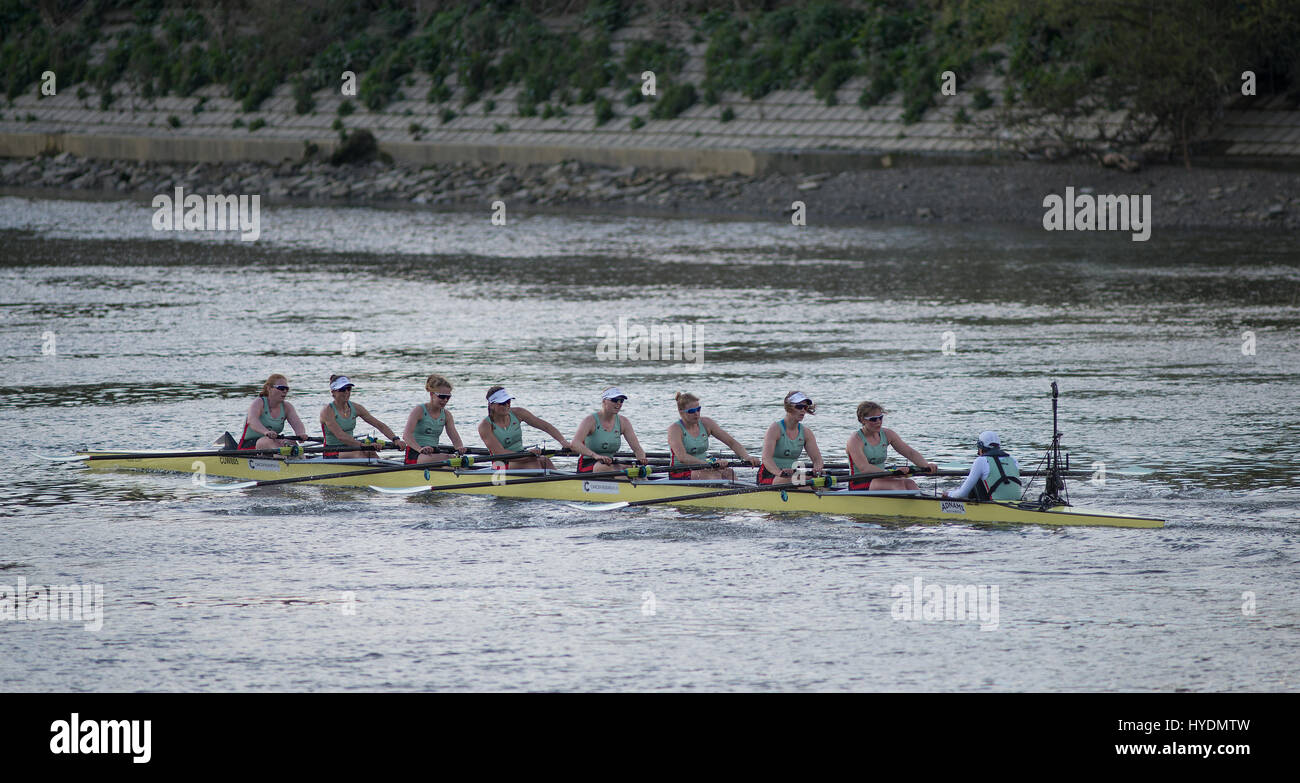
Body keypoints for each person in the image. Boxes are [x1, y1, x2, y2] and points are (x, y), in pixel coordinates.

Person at [666, 392, 759, 480]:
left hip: (703, 467)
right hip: (680, 472)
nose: (696, 414)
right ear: (681, 412)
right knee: (713, 476)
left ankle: (740, 496)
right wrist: (709, 464)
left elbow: (732, 442)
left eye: (698, 409)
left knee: (729, 473)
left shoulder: (706, 423)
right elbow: (683, 458)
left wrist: (746, 457)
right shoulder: (675, 429)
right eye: (691, 411)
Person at [845, 402, 937, 490]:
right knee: (898, 485)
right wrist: (891, 473)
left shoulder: (888, 434)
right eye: (873, 419)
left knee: (910, 484)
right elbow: (864, 468)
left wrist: (926, 465)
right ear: (862, 420)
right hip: (859, 482)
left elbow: (910, 453)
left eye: (880, 417)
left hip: (882, 477)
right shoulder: (855, 440)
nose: (878, 421)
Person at [477, 386, 571, 470]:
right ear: (491, 405)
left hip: (523, 456)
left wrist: (563, 442)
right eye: (502, 403)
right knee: (534, 463)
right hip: (501, 462)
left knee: (545, 461)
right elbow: (500, 453)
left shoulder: (518, 413)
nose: (506, 405)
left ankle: (562, 486)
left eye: (508, 401)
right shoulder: (485, 426)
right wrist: (529, 455)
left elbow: (545, 426)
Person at [319, 375, 405, 459]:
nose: (346, 392)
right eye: (342, 389)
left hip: (351, 447)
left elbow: (379, 425)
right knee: (360, 453)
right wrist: (363, 445)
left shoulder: (356, 408)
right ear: (333, 392)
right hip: (331, 451)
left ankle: (386, 472)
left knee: (370, 452)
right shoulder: (327, 411)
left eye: (348, 389)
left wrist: (395, 439)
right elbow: (341, 436)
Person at [570, 387, 648, 473]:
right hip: (588, 463)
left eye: (621, 401)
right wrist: (595, 456)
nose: (618, 403)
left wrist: (642, 458)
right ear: (604, 401)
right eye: (614, 400)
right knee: (607, 469)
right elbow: (574, 444)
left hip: (609, 463)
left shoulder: (624, 422)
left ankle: (644, 484)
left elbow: (637, 449)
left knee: (632, 467)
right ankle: (628, 484)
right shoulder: (590, 421)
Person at [758, 391, 824, 485]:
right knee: (800, 482)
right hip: (770, 475)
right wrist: (780, 473)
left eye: (805, 407)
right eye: (799, 407)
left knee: (821, 482)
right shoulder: (775, 429)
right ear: (788, 408)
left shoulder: (806, 433)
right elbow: (766, 459)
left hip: (792, 476)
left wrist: (817, 468)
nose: (803, 410)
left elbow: (817, 459)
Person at [401, 374, 467, 465]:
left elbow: (454, 436)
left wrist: (460, 447)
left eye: (448, 397)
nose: (445, 400)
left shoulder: (447, 415)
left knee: (457, 463)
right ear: (432, 394)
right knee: (450, 458)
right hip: (415, 453)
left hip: (433, 453)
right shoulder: (419, 410)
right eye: (442, 396)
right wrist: (420, 449)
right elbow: (406, 436)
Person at [943, 431, 1022, 501]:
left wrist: (949, 494)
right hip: (1016, 503)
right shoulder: (1013, 460)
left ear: (981, 448)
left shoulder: (981, 461)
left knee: (975, 481)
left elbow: (961, 494)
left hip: (994, 507)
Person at [238, 373, 309, 450]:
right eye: (281, 388)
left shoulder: (287, 407)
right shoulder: (258, 403)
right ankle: (284, 459)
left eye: (287, 389)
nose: (285, 391)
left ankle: (300, 460)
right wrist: (266, 432)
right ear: (269, 388)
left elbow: (297, 423)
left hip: (272, 443)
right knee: (268, 441)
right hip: (250, 445)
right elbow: (252, 421)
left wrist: (301, 434)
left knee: (291, 442)